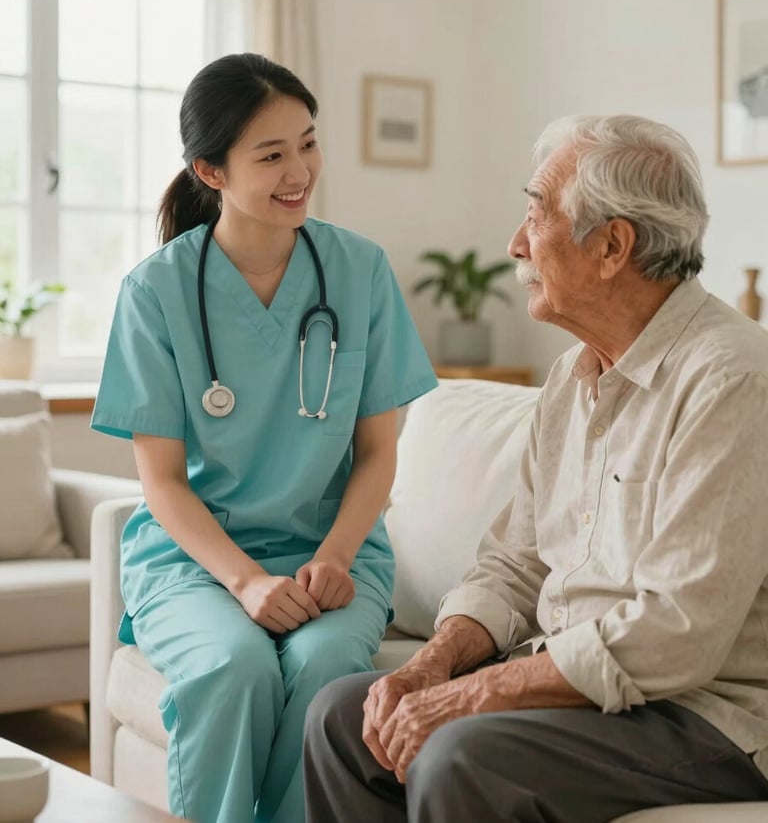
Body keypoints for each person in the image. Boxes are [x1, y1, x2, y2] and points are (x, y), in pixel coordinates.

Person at [303, 114, 768, 822]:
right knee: (343, 715)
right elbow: (517, 563)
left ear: (612, 246)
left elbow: (678, 631)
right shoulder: (570, 380)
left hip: (701, 712)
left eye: (536, 214)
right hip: (581, 690)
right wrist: (434, 664)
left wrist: (474, 695)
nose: (515, 244)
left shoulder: (732, 381)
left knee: (461, 755)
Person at [90, 52, 437, 823]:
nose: (300, 172)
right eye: (272, 155)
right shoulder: (155, 292)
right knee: (231, 665)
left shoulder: (360, 271)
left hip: (332, 553)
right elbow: (162, 482)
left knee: (324, 665)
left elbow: (378, 454)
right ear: (210, 172)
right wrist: (246, 582)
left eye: (308, 143)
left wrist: (337, 557)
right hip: (196, 561)